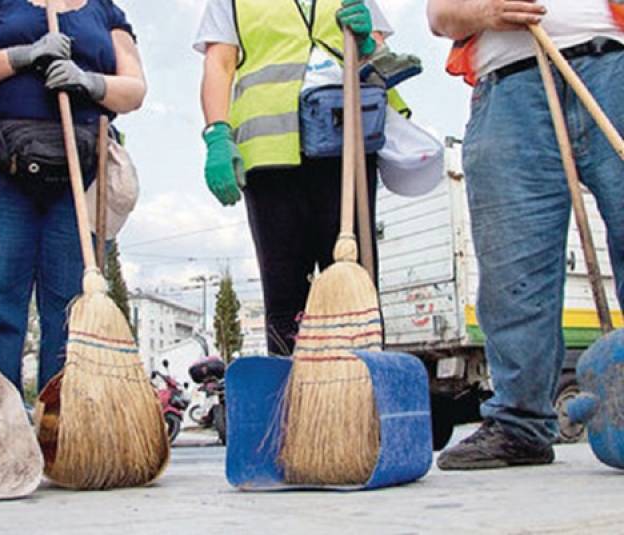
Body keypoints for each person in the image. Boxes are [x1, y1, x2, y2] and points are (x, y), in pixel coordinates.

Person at [428, 0, 624, 469]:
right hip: (509, 87)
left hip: (613, 66)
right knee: (513, 269)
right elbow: (441, 17)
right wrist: (486, 12)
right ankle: (519, 425)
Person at [0, 0, 144, 393]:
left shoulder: (105, 13)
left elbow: (135, 89)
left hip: (79, 172)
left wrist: (90, 82)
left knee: (70, 310)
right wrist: (24, 56)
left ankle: (61, 427)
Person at [195, 0, 393, 355]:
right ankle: (294, 399)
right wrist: (217, 134)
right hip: (271, 157)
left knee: (356, 291)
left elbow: (379, 59)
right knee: (285, 298)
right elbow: (219, 62)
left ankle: (362, 392)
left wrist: (367, 44)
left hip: (344, 146)